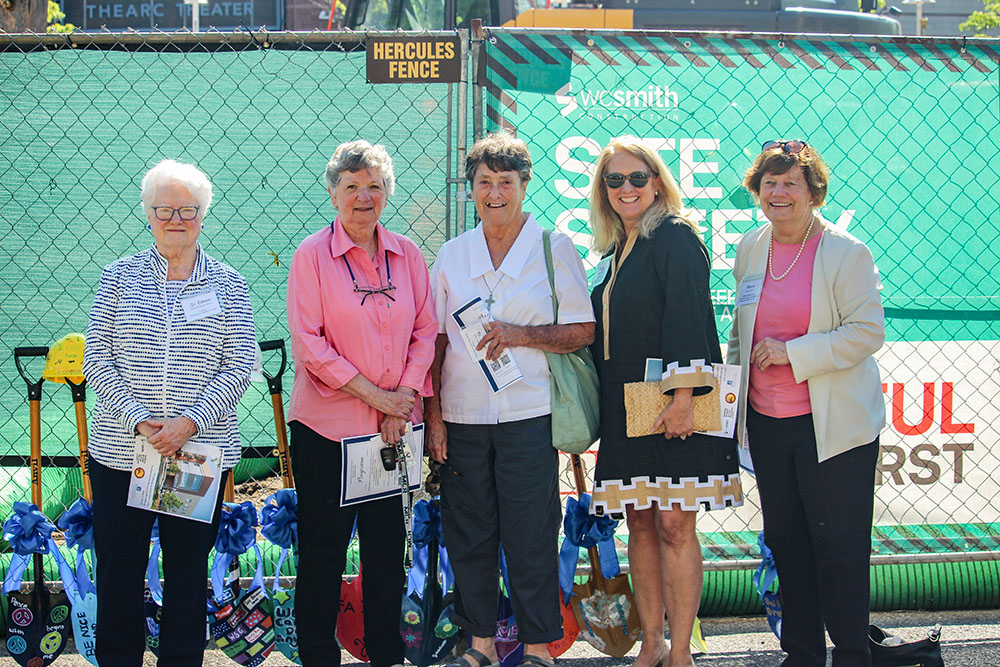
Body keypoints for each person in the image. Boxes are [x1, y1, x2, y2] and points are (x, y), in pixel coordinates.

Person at [425, 131, 595, 667]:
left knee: (531, 532)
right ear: (470, 190)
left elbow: (583, 329)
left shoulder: (554, 247)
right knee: (469, 531)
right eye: (483, 182)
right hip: (463, 414)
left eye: (506, 181)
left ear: (524, 186)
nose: (494, 192)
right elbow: (434, 340)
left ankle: (540, 645)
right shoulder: (453, 254)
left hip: (530, 414)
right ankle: (478, 645)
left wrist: (520, 335)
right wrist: (434, 417)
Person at [82, 158, 257, 666]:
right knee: (120, 571)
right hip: (122, 453)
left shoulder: (228, 284)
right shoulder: (119, 277)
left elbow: (240, 361)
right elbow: (98, 357)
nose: (176, 219)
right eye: (165, 209)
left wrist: (189, 422)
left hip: (195, 454)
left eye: (188, 209)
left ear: (203, 214)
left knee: (186, 574)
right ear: (148, 213)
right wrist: (137, 417)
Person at [727, 140, 885, 666]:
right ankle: (801, 653)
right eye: (769, 183)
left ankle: (852, 652)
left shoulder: (845, 252)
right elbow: (741, 330)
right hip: (769, 424)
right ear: (757, 191)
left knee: (838, 547)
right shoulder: (751, 246)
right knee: (787, 545)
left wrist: (794, 354)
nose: (779, 192)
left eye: (791, 182)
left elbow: (867, 332)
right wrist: (729, 402)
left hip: (833, 427)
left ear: (813, 192)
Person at [588, 136, 743, 667]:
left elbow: (686, 318)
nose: (626, 188)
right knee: (640, 523)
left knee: (676, 523)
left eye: (637, 177)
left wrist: (682, 398)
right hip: (626, 408)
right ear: (603, 190)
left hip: (674, 403)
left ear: (657, 182)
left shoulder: (675, 236)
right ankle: (650, 642)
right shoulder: (616, 250)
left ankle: (681, 651)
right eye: (615, 180)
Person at [286, 140, 437, 667]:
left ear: (386, 193)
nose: (363, 196)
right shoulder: (311, 257)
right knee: (324, 552)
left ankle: (386, 656)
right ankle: (318, 657)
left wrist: (405, 401)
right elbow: (310, 346)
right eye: (351, 186)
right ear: (333, 195)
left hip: (395, 434)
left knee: (385, 551)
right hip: (328, 431)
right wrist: (383, 401)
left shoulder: (408, 255)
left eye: (374, 186)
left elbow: (426, 331)